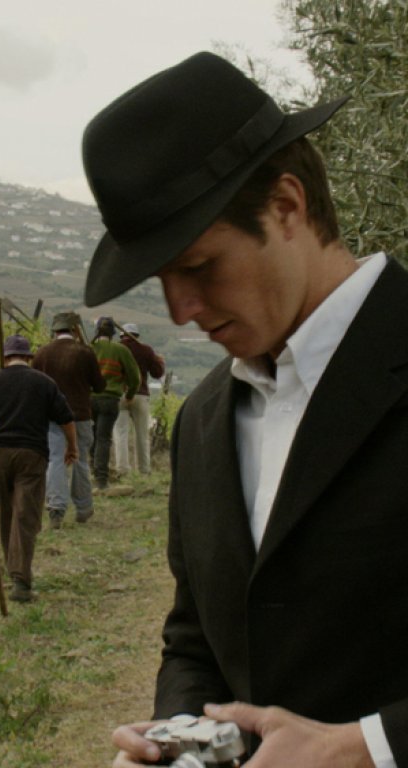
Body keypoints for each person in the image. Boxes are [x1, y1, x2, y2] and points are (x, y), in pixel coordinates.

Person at [81, 51, 408, 767]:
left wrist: (368, 747)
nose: (180, 310)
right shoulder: (201, 422)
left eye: (199, 267)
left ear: (286, 207)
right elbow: (194, 639)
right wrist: (178, 745)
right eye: (162, 281)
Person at [0, 334, 77, 603]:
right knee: (25, 515)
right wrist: (72, 446)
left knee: (6, 513)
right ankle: (20, 579)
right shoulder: (43, 382)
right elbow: (66, 418)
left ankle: (13, 570)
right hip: (32, 454)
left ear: (6, 357)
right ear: (29, 358)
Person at [31, 311, 105, 525]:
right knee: (80, 460)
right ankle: (83, 508)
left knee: (55, 460)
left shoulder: (42, 353)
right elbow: (99, 386)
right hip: (80, 415)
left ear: (55, 330)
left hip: (52, 417)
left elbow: (35, 386)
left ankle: (56, 509)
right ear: (75, 329)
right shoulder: (85, 352)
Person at [89, 317, 139, 490]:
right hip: (110, 400)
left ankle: (92, 470)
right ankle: (101, 480)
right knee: (103, 438)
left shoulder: (89, 348)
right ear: (113, 333)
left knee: (92, 436)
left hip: (89, 399)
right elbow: (135, 378)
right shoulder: (121, 350)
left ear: (97, 331)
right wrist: (130, 394)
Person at [112, 323, 165, 475]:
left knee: (120, 433)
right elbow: (157, 373)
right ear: (137, 335)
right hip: (141, 394)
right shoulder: (145, 349)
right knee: (142, 435)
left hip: (120, 394)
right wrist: (159, 361)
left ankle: (122, 469)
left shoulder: (116, 348)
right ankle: (144, 469)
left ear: (122, 335)